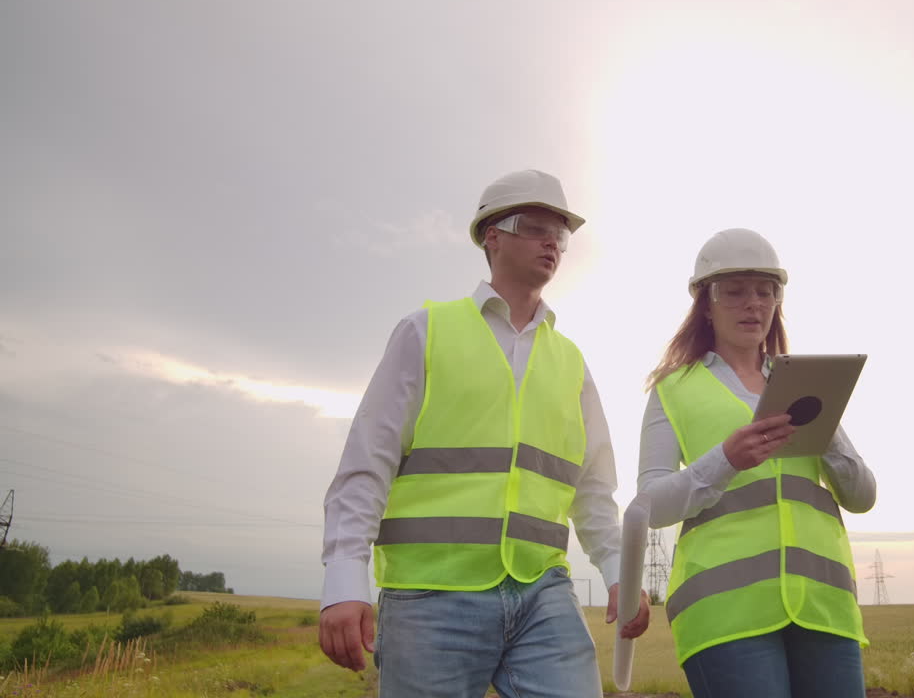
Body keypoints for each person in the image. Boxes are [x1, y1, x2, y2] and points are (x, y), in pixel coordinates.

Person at [320, 169, 649, 698]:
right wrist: (343, 579)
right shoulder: (425, 333)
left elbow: (593, 487)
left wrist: (617, 572)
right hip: (430, 594)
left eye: (559, 234)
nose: (551, 243)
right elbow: (367, 463)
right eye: (535, 226)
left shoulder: (571, 362)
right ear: (491, 236)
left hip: (542, 590)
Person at [637, 228, 876, 698]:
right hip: (724, 615)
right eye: (736, 291)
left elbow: (863, 496)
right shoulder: (673, 389)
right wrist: (724, 461)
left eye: (767, 291)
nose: (754, 303)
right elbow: (650, 505)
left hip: (824, 605)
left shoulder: (807, 382)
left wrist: (820, 424)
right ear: (705, 303)